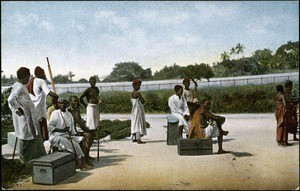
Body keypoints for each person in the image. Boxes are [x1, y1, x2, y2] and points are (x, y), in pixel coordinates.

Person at [8, 67, 46, 163]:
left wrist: (16, 108)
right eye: (28, 77)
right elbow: (10, 99)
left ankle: (36, 159)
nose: (29, 79)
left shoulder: (19, 86)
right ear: (24, 76)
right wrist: (18, 108)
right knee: (26, 140)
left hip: (29, 117)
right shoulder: (19, 86)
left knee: (33, 137)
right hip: (25, 119)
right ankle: (25, 162)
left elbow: (11, 102)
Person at [48, 98, 93, 170]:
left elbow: (72, 129)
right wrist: (62, 130)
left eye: (64, 103)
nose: (62, 105)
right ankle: (78, 162)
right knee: (67, 142)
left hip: (67, 135)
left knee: (79, 141)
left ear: (67, 105)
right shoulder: (55, 113)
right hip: (56, 136)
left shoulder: (69, 115)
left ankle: (84, 161)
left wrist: (74, 137)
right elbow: (50, 127)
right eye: (61, 103)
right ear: (58, 104)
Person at [27, 66, 59, 142]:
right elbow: (49, 92)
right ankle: (42, 148)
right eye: (43, 73)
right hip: (40, 110)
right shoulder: (41, 81)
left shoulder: (31, 81)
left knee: (36, 130)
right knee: (43, 131)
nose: (44, 75)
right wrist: (57, 96)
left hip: (33, 109)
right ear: (39, 74)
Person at [68, 95, 96, 162]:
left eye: (77, 101)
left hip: (74, 132)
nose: (76, 103)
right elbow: (82, 126)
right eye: (74, 101)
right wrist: (91, 130)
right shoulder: (68, 112)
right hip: (69, 133)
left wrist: (91, 130)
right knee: (89, 135)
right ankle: (85, 157)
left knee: (91, 134)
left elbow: (81, 125)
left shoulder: (76, 111)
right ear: (70, 102)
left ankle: (86, 155)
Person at [131, 79, 147, 144]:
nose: (139, 87)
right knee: (138, 123)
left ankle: (134, 138)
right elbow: (143, 101)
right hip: (138, 110)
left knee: (135, 123)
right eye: (139, 85)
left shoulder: (132, 93)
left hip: (134, 110)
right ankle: (138, 139)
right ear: (135, 86)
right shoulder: (137, 93)